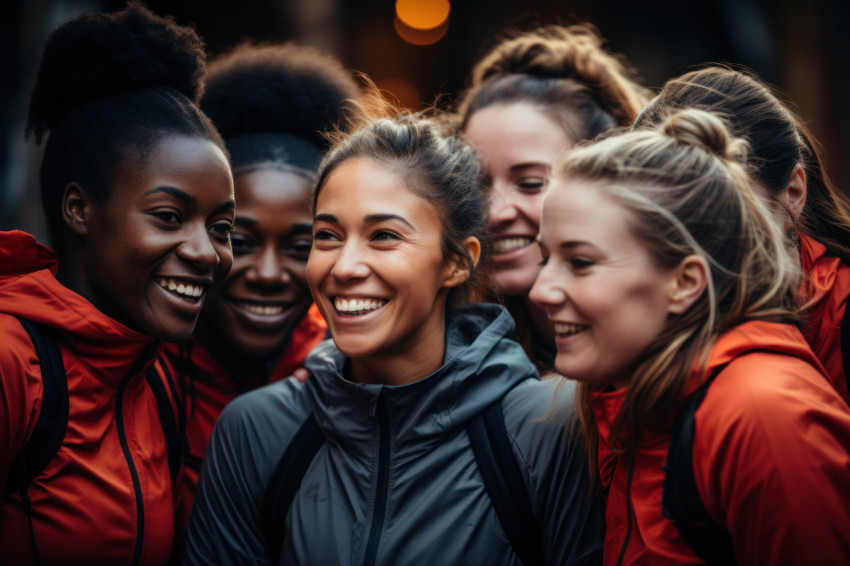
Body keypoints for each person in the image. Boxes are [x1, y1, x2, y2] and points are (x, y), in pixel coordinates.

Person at [184, 100, 604, 564]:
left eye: (384, 235)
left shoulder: (551, 427)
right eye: (326, 236)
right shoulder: (256, 430)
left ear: (457, 262)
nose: (343, 266)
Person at [529, 108, 850, 564]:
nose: (541, 290)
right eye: (546, 258)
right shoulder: (628, 394)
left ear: (685, 282)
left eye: (580, 262)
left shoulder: (763, 414)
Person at [0, 4, 235, 564]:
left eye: (221, 227)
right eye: (169, 217)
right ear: (80, 209)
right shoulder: (12, 362)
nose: (207, 252)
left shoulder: (160, 374)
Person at [155, 41, 360, 522]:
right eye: (239, 241)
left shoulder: (355, 381)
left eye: (301, 247)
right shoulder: (135, 374)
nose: (268, 275)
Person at [634, 65, 850, 404]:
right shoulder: (636, 332)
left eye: (720, 197)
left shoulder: (841, 317)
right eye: (658, 213)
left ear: (793, 191)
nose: (688, 233)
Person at [456, 23, 650, 369]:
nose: (496, 212)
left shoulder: (664, 354)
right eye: (479, 183)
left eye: (531, 183)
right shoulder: (456, 351)